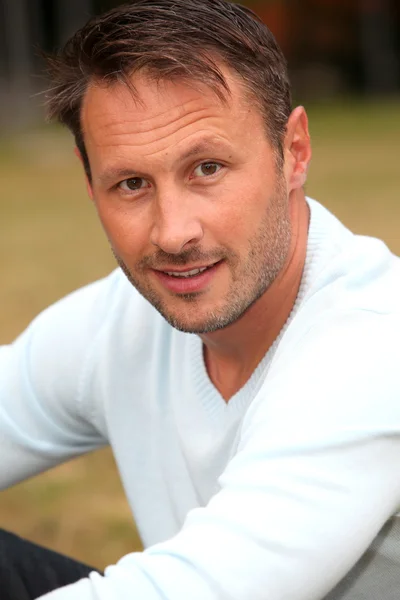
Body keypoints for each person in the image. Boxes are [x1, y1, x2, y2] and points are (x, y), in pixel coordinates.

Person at [0, 0, 399, 598]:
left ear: (293, 151)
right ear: (90, 181)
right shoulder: (121, 323)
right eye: (131, 184)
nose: (172, 232)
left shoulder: (373, 343)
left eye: (207, 168)